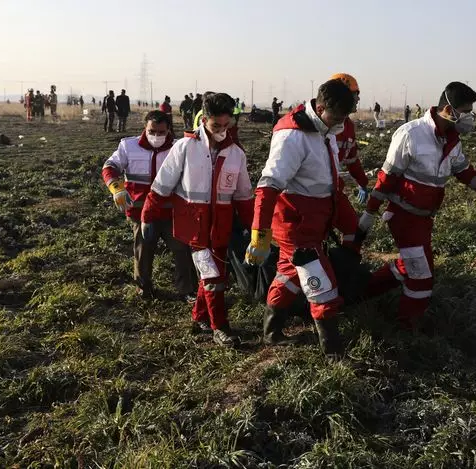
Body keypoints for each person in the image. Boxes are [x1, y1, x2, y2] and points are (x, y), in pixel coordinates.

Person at [359, 82, 476, 329]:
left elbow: (463, 170)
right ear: (449, 110)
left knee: (409, 265)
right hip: (404, 217)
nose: (470, 117)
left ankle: (359, 292)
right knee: (421, 277)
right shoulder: (411, 135)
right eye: (466, 111)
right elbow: (387, 178)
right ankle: (407, 327)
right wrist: (370, 211)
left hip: (423, 219)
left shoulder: (451, 140)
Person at [245, 79, 355, 361]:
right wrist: (259, 233)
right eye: (337, 117)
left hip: (313, 222)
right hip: (296, 226)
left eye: (344, 117)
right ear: (320, 108)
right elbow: (268, 186)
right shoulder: (293, 137)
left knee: (289, 274)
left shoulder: (325, 130)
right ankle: (333, 352)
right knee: (323, 286)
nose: (341, 123)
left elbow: (328, 182)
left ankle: (272, 332)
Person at [143, 93, 253, 348]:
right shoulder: (184, 148)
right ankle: (220, 327)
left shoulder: (236, 154)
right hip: (193, 225)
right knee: (213, 276)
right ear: (204, 120)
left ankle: (199, 316)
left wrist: (255, 230)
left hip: (221, 227)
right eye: (216, 126)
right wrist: (148, 215)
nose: (222, 131)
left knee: (213, 273)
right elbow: (161, 186)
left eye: (226, 125)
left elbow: (244, 196)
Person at [102, 110, 197, 301]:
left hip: (171, 212)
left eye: (161, 132)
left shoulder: (179, 148)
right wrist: (116, 188)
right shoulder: (128, 146)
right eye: (152, 131)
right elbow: (109, 167)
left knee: (182, 250)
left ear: (169, 130)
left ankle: (187, 290)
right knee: (143, 250)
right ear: (144, 128)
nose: (156, 136)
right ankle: (143, 289)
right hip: (139, 211)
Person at [329, 73, 371, 250]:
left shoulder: (348, 126)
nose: (358, 99)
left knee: (352, 228)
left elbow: (352, 160)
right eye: (355, 94)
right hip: (311, 195)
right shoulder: (321, 125)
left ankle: (346, 261)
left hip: (333, 190)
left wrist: (362, 183)